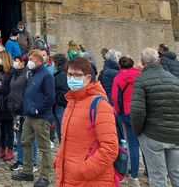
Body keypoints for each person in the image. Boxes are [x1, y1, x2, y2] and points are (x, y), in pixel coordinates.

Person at [53, 57, 118, 186]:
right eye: (70, 74)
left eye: (77, 75)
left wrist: (85, 170)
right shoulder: (72, 101)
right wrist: (59, 160)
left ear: (88, 78)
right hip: (69, 177)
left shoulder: (100, 105)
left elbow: (110, 147)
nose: (72, 78)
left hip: (89, 180)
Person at [131, 48, 179, 187]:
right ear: (158, 60)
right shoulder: (173, 79)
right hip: (174, 135)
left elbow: (137, 112)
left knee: (158, 177)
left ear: (142, 62)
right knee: (176, 174)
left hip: (153, 135)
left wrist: (138, 132)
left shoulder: (141, 80)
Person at [12, 50, 55, 187]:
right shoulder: (32, 74)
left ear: (38, 59)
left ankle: (44, 176)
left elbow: (50, 98)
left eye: (31, 59)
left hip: (41, 117)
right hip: (29, 116)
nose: (28, 61)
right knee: (25, 141)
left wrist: (38, 109)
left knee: (44, 147)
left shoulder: (46, 75)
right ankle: (27, 170)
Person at [111, 56, 141, 186]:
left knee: (132, 144)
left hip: (127, 112)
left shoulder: (118, 78)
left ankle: (134, 174)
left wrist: (118, 111)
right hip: (142, 110)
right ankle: (149, 172)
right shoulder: (140, 75)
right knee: (144, 144)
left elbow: (115, 97)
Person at [9, 55, 38, 171]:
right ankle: (20, 160)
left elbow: (31, 91)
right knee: (19, 135)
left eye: (17, 61)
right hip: (16, 110)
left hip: (25, 110)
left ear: (23, 63)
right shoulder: (15, 73)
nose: (15, 63)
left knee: (30, 136)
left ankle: (33, 162)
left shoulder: (28, 74)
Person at [0, 51, 15, 162]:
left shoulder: (11, 72)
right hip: (1, 104)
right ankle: (2, 147)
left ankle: (10, 149)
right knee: (2, 128)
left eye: (0, 58)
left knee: (9, 128)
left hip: (8, 103)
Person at [51, 53, 69, 142]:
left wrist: (57, 99)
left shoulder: (62, 75)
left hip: (60, 106)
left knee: (62, 131)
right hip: (57, 105)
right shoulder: (59, 73)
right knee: (59, 131)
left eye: (53, 62)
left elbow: (64, 91)